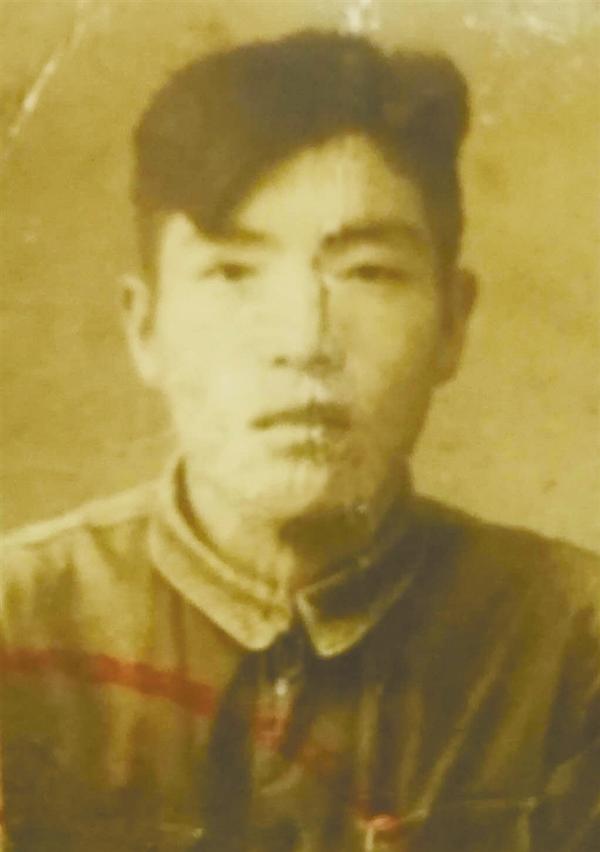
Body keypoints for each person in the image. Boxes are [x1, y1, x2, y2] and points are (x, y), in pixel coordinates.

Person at [0, 30, 598, 852]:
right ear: (145, 328)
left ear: (453, 324)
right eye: (233, 273)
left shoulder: (573, 647)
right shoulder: (18, 625)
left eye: (368, 272)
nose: (304, 340)